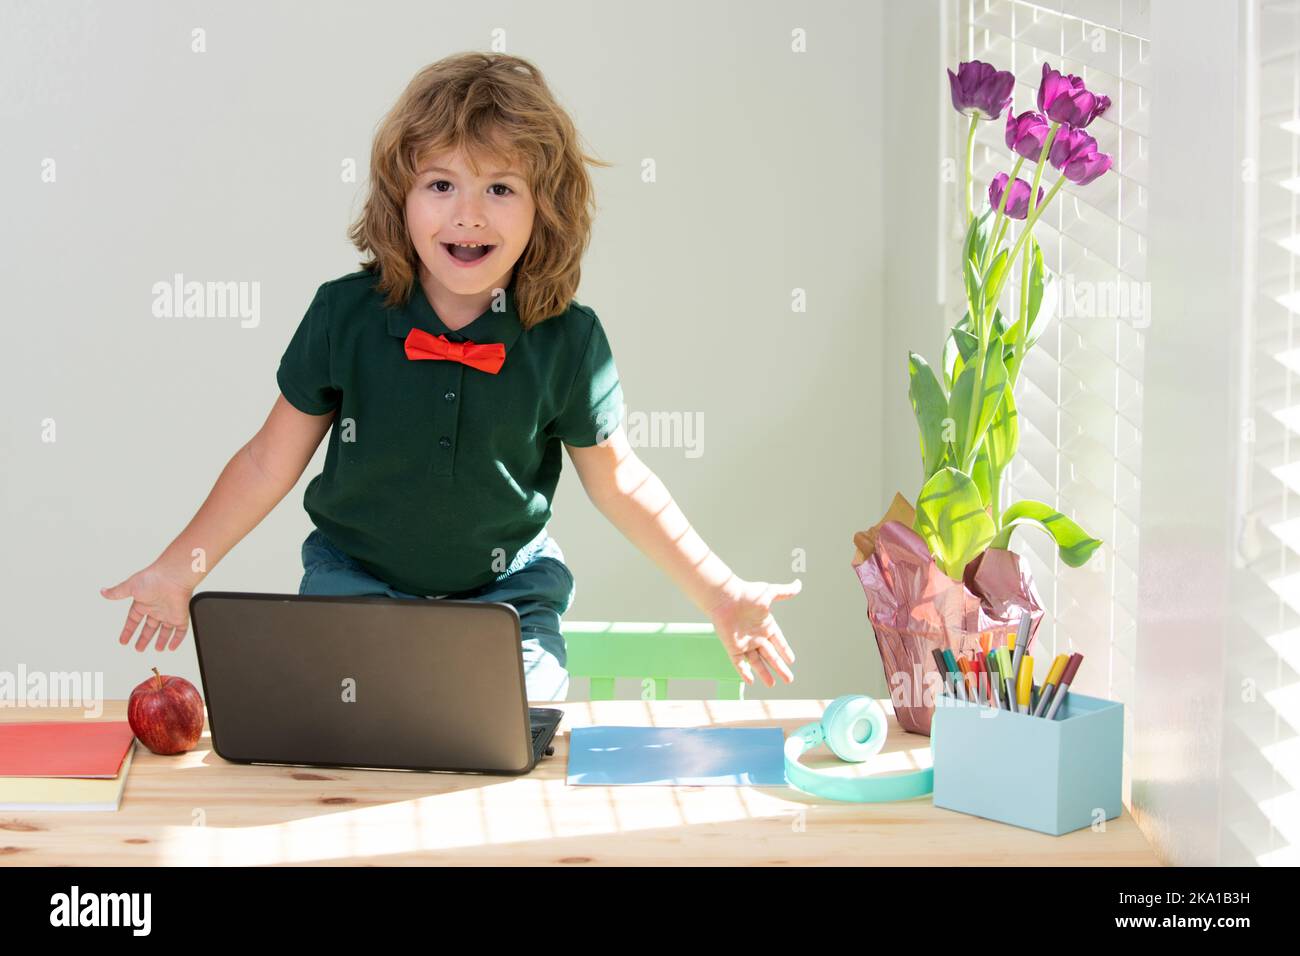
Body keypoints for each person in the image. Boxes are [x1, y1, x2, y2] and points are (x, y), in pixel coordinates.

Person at [101, 51, 799, 701]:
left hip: (509, 599)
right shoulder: (343, 315)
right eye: (441, 184)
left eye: (500, 187)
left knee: (510, 731)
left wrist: (720, 591)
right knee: (345, 728)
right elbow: (264, 463)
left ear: (544, 209)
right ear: (400, 200)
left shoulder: (568, 339)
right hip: (355, 585)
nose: (468, 212)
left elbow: (621, 483)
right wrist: (177, 569)